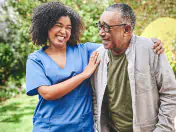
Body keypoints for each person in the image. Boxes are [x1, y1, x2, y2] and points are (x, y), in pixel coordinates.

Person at [26, 1, 164, 132]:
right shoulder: (36, 59)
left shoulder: (84, 50)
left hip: (82, 127)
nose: (64, 31)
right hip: (49, 127)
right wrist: (84, 75)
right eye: (58, 25)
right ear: (46, 26)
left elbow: (118, 42)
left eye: (68, 27)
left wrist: (149, 42)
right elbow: (47, 93)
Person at [92, 3, 176, 132]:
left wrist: (162, 129)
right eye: (100, 26)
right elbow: (96, 98)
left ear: (126, 30)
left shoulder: (151, 50)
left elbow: (170, 93)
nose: (101, 32)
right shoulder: (98, 57)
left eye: (106, 27)